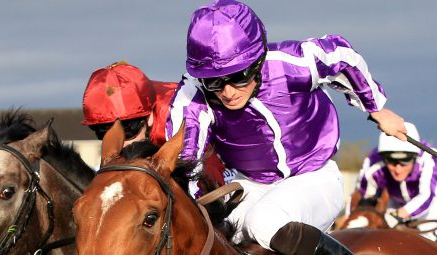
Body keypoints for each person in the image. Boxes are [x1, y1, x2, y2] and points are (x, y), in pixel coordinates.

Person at [166, 1, 408, 254]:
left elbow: (341, 56)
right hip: (253, 184)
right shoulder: (194, 93)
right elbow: (186, 154)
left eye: (238, 77)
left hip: (314, 176)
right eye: (213, 82)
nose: (227, 92)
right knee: (210, 229)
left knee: (264, 222)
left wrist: (376, 108)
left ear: (258, 61)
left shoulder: (292, 63)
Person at [82, 61, 229, 195]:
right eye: (103, 131)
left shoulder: (176, 118)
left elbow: (206, 172)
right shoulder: (136, 108)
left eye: (128, 129)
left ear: (149, 117)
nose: (119, 143)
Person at [354, 122, 437, 241]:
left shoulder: (430, 159)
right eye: (392, 161)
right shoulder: (373, 163)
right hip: (396, 199)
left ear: (415, 156)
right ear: (383, 158)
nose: (398, 169)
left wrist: (398, 215)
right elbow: (364, 198)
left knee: (426, 238)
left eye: (405, 161)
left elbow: (427, 196)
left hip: (432, 199)